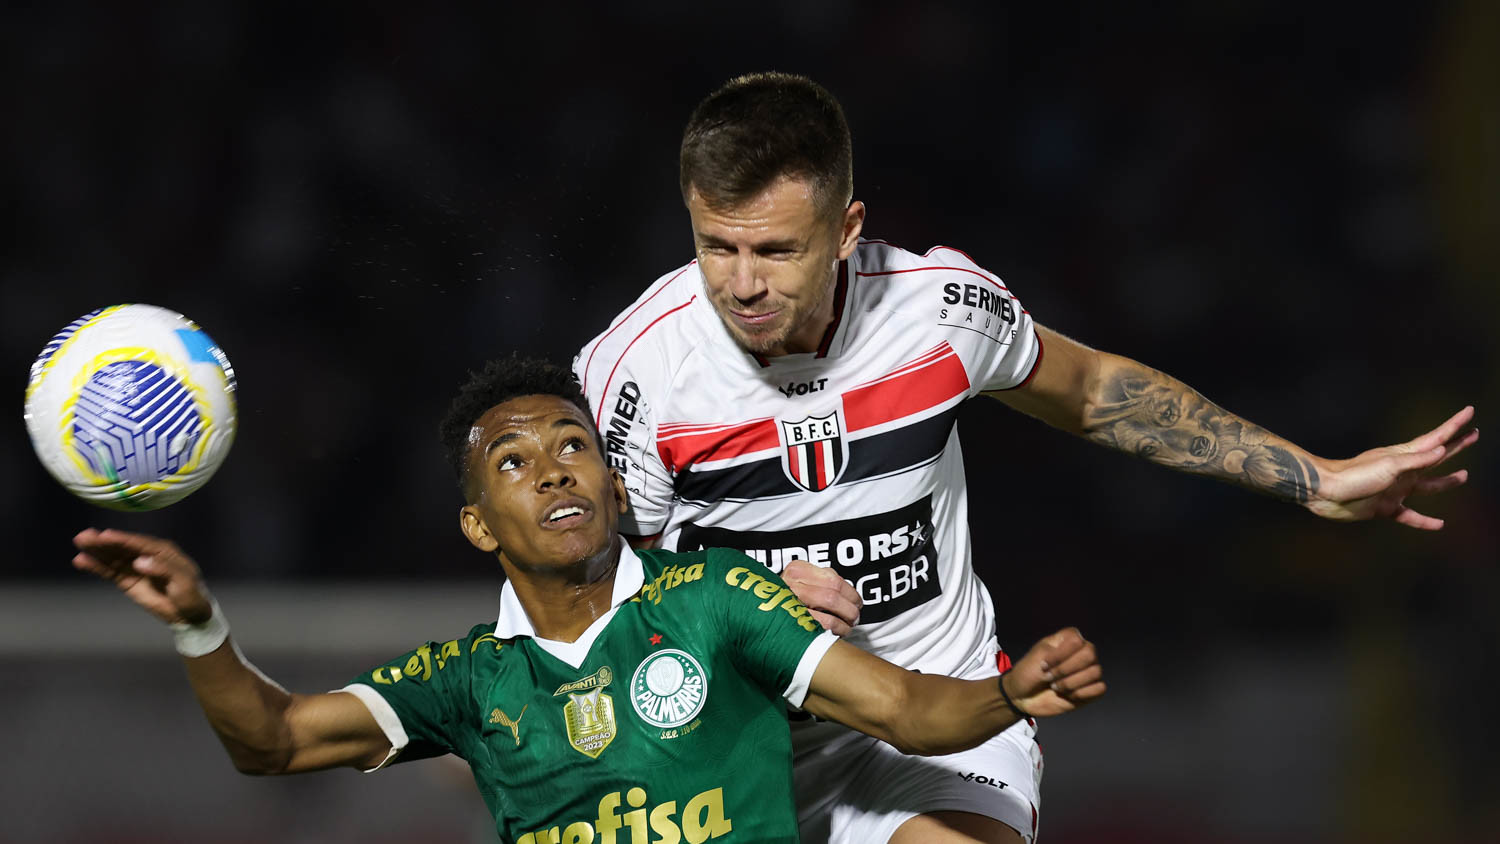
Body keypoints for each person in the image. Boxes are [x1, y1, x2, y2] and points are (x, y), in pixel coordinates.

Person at [572, 72, 1478, 844]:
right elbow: (582, 590)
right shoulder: (639, 372)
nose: (741, 283)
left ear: (847, 230)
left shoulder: (939, 313)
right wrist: (731, 596)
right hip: (732, 738)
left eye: (775, 250)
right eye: (715, 247)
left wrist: (1313, 477)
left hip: (936, 723)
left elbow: (1089, 392)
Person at [71, 357, 1105, 844]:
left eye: (574, 446)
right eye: (514, 461)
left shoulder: (717, 598)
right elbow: (277, 740)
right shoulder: (470, 679)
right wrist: (199, 624)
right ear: (479, 524)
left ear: (617, 487)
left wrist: (1013, 691)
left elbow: (907, 711)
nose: (555, 469)